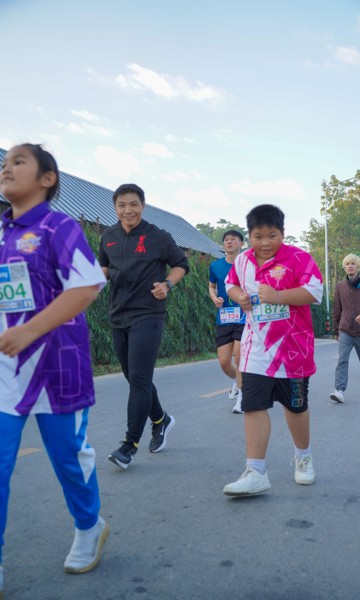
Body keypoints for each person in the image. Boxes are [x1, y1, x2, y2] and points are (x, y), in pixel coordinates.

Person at [0, 144, 109, 597]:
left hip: (56, 366)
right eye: (5, 163)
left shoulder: (58, 226)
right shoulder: (1, 233)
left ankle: (88, 526)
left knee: (68, 456)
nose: (6, 168)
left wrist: (29, 331)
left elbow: (86, 286)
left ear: (47, 179)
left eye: (18, 161)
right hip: (5, 372)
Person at [222, 204, 323, 497]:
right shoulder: (242, 261)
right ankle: (255, 472)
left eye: (272, 235)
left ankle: (303, 457)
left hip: (292, 350)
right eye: (258, 236)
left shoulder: (299, 258)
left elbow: (314, 292)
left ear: (283, 233)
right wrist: (239, 296)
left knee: (295, 407)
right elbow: (230, 285)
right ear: (249, 236)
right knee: (253, 405)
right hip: (255, 348)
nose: (265, 243)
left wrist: (278, 295)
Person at [99, 183, 188, 470]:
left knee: (138, 378)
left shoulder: (158, 236)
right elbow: (103, 269)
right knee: (134, 377)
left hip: (148, 314)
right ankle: (161, 419)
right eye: (122, 205)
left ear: (143, 206)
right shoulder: (108, 237)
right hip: (118, 315)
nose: (128, 210)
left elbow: (181, 264)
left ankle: (129, 445)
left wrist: (167, 284)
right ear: (115, 208)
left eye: (133, 204)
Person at [330, 255, 360, 404]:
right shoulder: (340, 286)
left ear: (358, 266)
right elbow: (336, 309)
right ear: (344, 267)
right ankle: (339, 391)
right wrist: (336, 330)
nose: (350, 266)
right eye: (347, 264)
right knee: (342, 360)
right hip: (345, 330)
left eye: (353, 263)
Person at [209, 230, 245, 414]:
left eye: (233, 239)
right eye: (226, 240)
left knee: (239, 356)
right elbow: (212, 286)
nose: (229, 242)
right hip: (224, 317)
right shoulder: (215, 265)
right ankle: (238, 381)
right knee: (224, 362)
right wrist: (214, 298)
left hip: (244, 316)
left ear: (241, 243)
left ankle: (243, 398)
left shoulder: (247, 264)